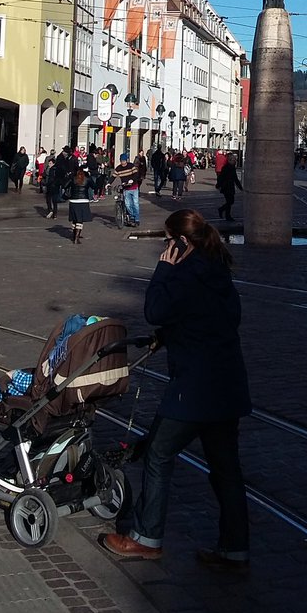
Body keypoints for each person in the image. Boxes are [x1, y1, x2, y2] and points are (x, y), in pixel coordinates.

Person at [99, 208, 251, 570]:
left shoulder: (184, 272)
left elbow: (155, 309)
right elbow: (214, 319)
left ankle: (145, 538)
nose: (164, 248)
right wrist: (170, 337)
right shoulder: (217, 270)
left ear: (182, 242)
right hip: (227, 384)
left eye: (168, 241)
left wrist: (163, 270)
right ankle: (235, 548)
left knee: (158, 454)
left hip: (194, 389)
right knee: (226, 468)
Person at [114, 153, 141, 225]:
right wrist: (108, 183)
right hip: (126, 188)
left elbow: (136, 174)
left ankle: (137, 219)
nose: (122, 162)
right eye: (121, 161)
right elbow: (113, 176)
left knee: (135, 204)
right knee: (128, 204)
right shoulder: (118, 168)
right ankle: (132, 216)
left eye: (124, 161)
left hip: (134, 187)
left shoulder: (131, 166)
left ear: (126, 160)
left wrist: (132, 180)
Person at [68, 167, 92, 244]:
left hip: (73, 200)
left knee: (75, 219)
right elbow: (94, 186)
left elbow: (65, 185)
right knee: (80, 220)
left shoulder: (73, 179)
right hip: (83, 200)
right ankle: (76, 238)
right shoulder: (87, 179)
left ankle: (74, 235)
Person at [217, 154, 243, 222]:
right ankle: (225, 214)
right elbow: (221, 177)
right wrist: (219, 185)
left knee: (230, 201)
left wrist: (240, 187)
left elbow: (235, 179)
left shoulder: (232, 167)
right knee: (230, 201)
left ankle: (225, 213)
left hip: (230, 186)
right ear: (230, 160)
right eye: (234, 160)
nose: (235, 161)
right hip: (226, 186)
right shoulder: (226, 167)